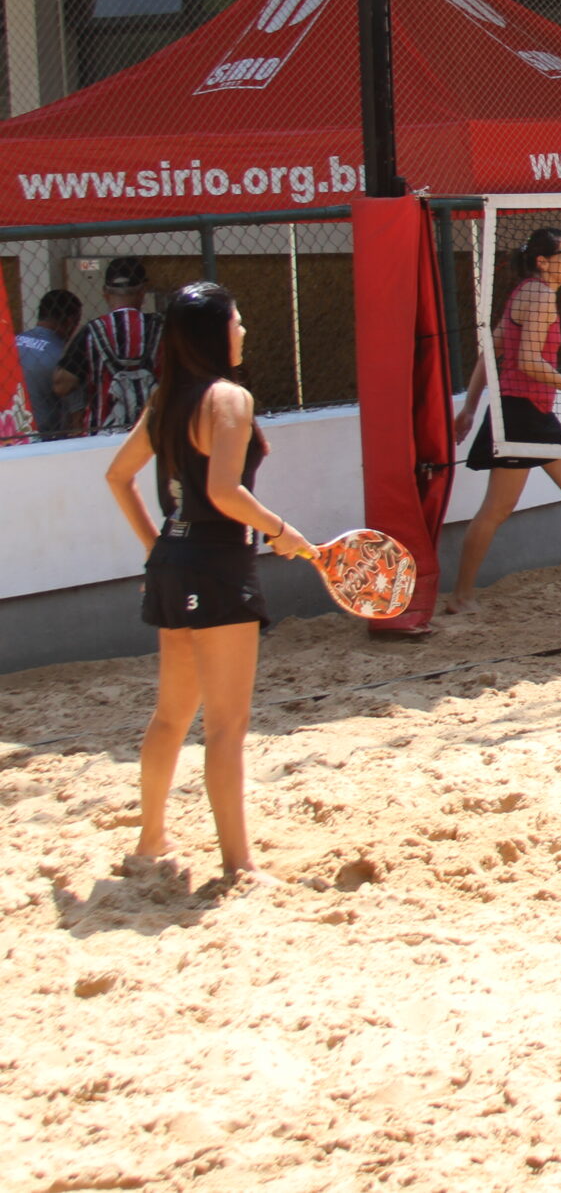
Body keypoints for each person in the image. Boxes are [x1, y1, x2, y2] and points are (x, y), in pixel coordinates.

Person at [102, 282, 312, 889]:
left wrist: (158, 549)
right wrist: (282, 531)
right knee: (226, 726)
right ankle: (238, 865)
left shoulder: (167, 399)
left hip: (173, 563)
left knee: (170, 717)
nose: (244, 330)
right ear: (213, 332)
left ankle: (150, 839)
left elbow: (118, 477)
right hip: (217, 566)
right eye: (238, 320)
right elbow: (223, 492)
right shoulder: (228, 398)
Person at [445, 227, 561, 614]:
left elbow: (489, 354)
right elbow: (528, 363)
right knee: (497, 508)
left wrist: (469, 408)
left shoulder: (524, 293)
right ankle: (462, 597)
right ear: (542, 262)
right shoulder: (541, 296)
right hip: (521, 411)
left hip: (527, 409)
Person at [56, 258, 160, 435]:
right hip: (154, 430)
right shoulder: (161, 327)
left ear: (105, 292)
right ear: (143, 291)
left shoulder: (92, 331)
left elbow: (62, 385)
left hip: (103, 432)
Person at [18, 288, 83, 439]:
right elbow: (77, 418)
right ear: (70, 321)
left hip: (7, 437)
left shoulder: (9, 345)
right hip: (46, 440)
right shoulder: (64, 358)